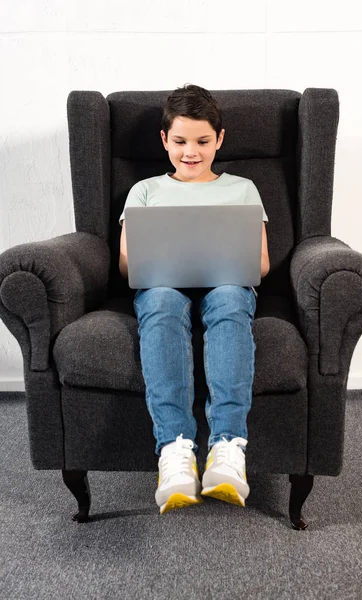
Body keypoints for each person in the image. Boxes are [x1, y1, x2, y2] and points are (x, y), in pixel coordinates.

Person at [119, 84, 270, 515]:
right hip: (162, 286)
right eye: (180, 141)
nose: (191, 152)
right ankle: (176, 449)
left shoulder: (243, 188)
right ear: (164, 140)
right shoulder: (145, 191)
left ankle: (227, 446)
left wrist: (235, 261)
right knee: (162, 302)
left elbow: (260, 263)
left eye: (203, 142)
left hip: (227, 283)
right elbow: (128, 265)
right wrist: (153, 262)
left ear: (219, 139)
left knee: (228, 299)